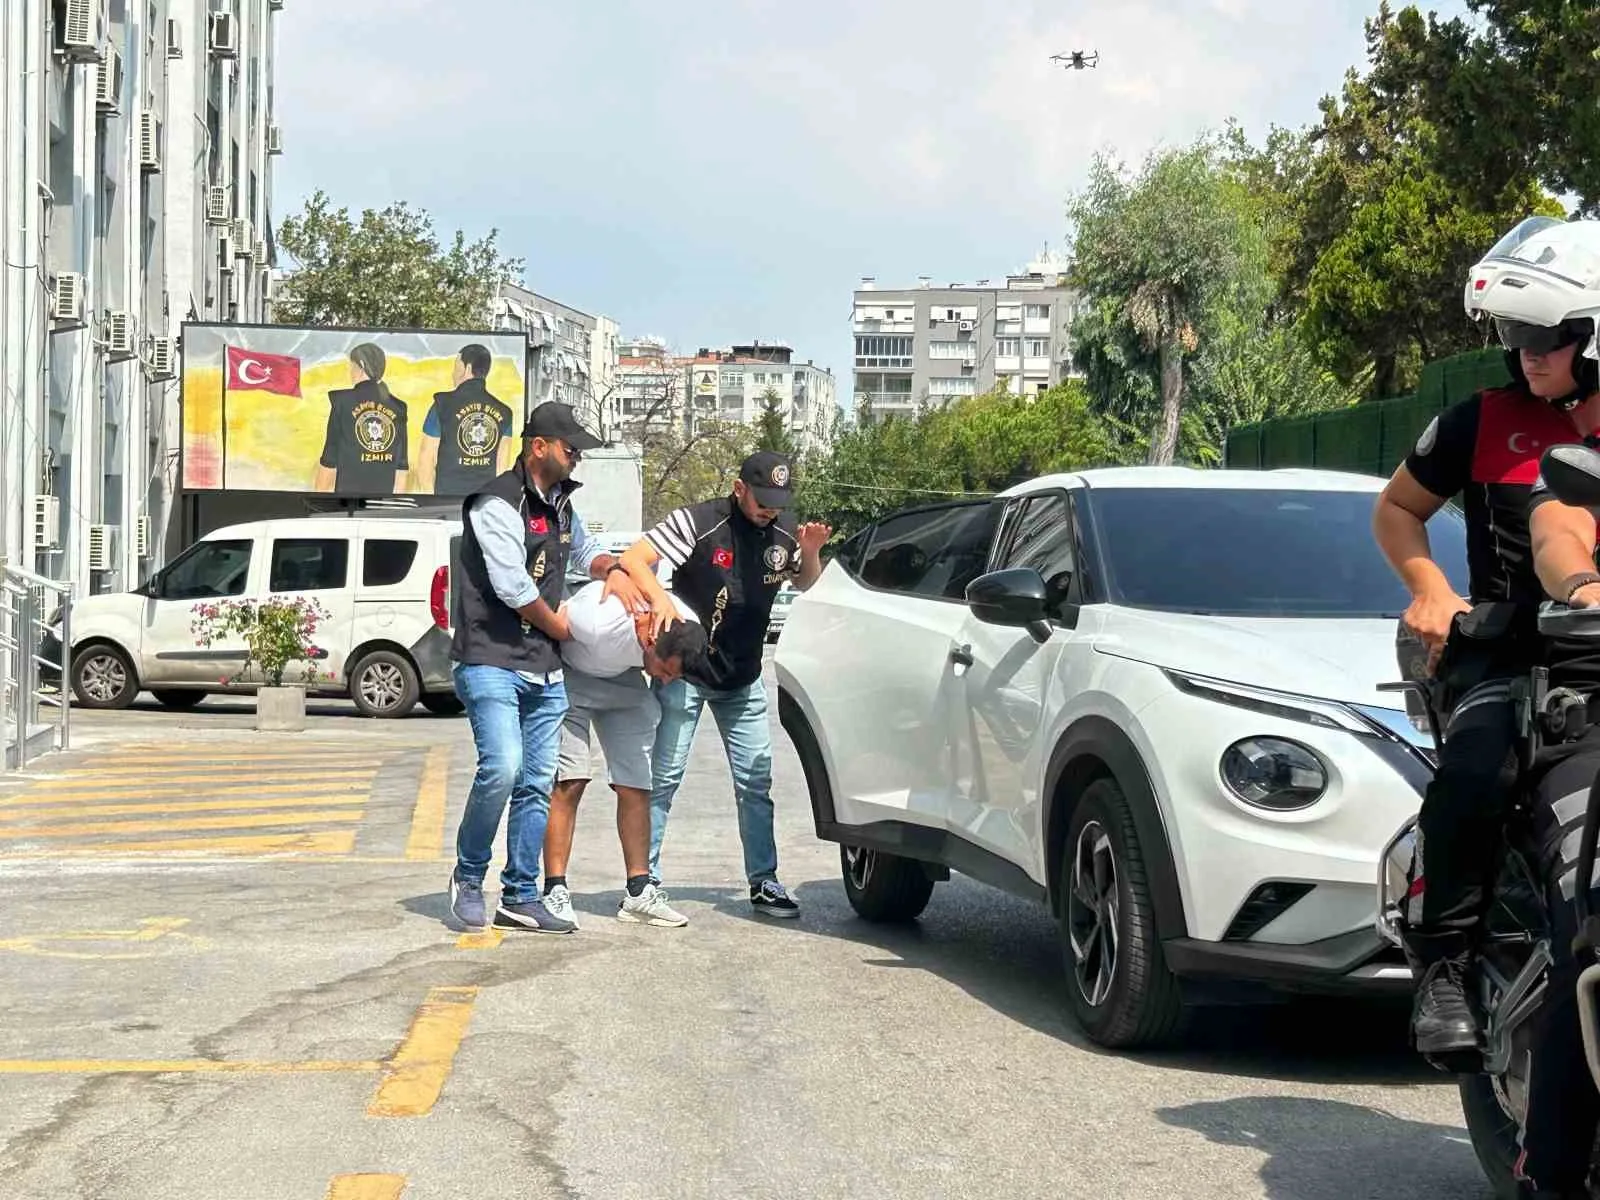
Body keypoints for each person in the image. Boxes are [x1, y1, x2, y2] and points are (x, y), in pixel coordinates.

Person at [1373, 217, 1600, 1070]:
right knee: (1475, 773)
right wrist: (1432, 589)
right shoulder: (1480, 422)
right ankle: (1444, 969)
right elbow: (1396, 510)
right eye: (1514, 334)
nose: (1528, 353)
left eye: (1547, 336)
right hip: (1511, 655)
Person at [446, 402, 638, 934]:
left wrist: (614, 569)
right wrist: (566, 629)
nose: (577, 456)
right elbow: (514, 588)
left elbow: (585, 553)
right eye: (570, 447)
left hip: (544, 670)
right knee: (502, 769)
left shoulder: (561, 506)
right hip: (491, 658)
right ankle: (467, 877)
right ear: (539, 447)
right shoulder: (496, 503)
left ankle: (520, 894)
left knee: (537, 783)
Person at [613, 451, 831, 918]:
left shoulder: (784, 531)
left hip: (743, 676)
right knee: (664, 778)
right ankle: (642, 883)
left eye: (778, 502)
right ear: (738, 489)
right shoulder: (697, 522)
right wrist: (658, 602)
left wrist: (810, 552)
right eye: (761, 500)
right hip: (685, 673)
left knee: (756, 780)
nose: (769, 510)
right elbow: (634, 559)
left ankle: (764, 881)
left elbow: (806, 583)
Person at [540, 581, 709, 930]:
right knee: (571, 779)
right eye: (664, 671)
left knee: (636, 783)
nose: (663, 681)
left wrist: (660, 670)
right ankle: (554, 890)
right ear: (649, 641)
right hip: (570, 676)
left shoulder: (686, 626)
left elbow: (664, 664)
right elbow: (548, 619)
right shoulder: (597, 620)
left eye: (672, 677)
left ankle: (638, 892)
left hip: (625, 678)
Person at [416, 343, 516, 495]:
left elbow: (425, 461)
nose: (453, 374)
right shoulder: (505, 413)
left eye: (456, 367)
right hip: (481, 505)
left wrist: (432, 501)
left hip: (446, 503)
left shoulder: (442, 404)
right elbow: (501, 469)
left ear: (467, 368)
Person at [313, 342, 410, 495]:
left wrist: (318, 498)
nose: (350, 372)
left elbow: (329, 460)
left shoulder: (342, 402)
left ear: (362, 366)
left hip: (347, 504)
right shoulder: (398, 407)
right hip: (382, 505)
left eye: (352, 366)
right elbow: (401, 467)